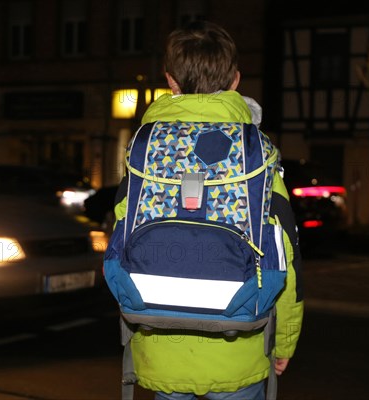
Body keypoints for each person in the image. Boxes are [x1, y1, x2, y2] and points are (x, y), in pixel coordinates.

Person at [112, 21, 303, 400]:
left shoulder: (144, 146)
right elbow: (287, 254)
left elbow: (122, 237)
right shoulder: (256, 150)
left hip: (158, 338)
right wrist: (284, 342)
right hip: (240, 342)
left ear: (171, 81)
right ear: (235, 80)